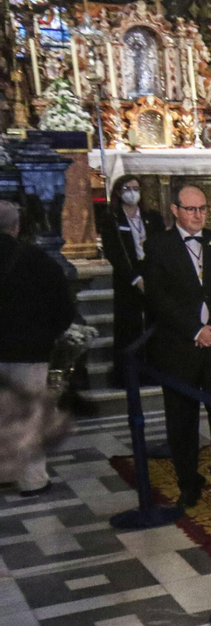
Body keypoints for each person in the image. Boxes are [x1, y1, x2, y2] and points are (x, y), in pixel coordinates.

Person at [142, 185, 211, 507]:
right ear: (174, 210)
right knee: (181, 420)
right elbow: (157, 298)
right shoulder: (158, 246)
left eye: (202, 208)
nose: (198, 215)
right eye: (191, 209)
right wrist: (195, 330)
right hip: (180, 347)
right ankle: (189, 482)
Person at [0, 201, 75, 496]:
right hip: (29, 352)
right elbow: (64, 309)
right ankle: (32, 479)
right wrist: (46, 338)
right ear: (16, 227)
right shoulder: (38, 260)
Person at [99, 174, 162, 388]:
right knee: (129, 325)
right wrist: (135, 278)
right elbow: (114, 252)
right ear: (118, 192)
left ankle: (154, 370)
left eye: (136, 188)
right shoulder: (111, 219)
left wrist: (153, 276)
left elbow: (161, 246)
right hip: (128, 276)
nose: (132, 192)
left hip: (151, 275)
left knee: (154, 324)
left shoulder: (152, 217)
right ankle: (127, 375)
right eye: (127, 188)